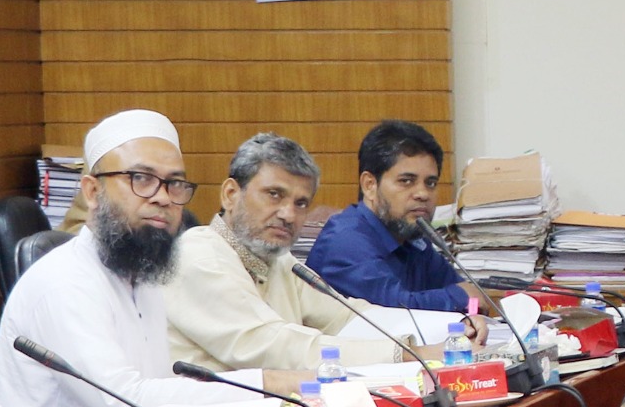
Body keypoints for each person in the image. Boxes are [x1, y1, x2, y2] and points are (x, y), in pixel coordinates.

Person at [0, 110, 298, 407]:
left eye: (174, 183)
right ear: (93, 191)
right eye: (141, 178)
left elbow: (160, 390)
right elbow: (126, 404)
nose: (162, 197)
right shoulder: (62, 282)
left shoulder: (145, 276)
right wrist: (266, 384)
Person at [166, 133, 485, 372]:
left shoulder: (279, 260)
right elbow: (272, 345)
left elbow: (350, 317)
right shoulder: (198, 255)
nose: (288, 214)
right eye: (274, 195)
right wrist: (408, 354)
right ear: (230, 194)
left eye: (300, 203)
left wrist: (452, 329)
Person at [306, 120, 480, 312]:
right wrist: (461, 298)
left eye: (430, 183)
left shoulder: (412, 237)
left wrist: (471, 315)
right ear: (369, 185)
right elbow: (395, 310)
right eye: (406, 181)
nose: (423, 194)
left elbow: (468, 294)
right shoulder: (345, 241)